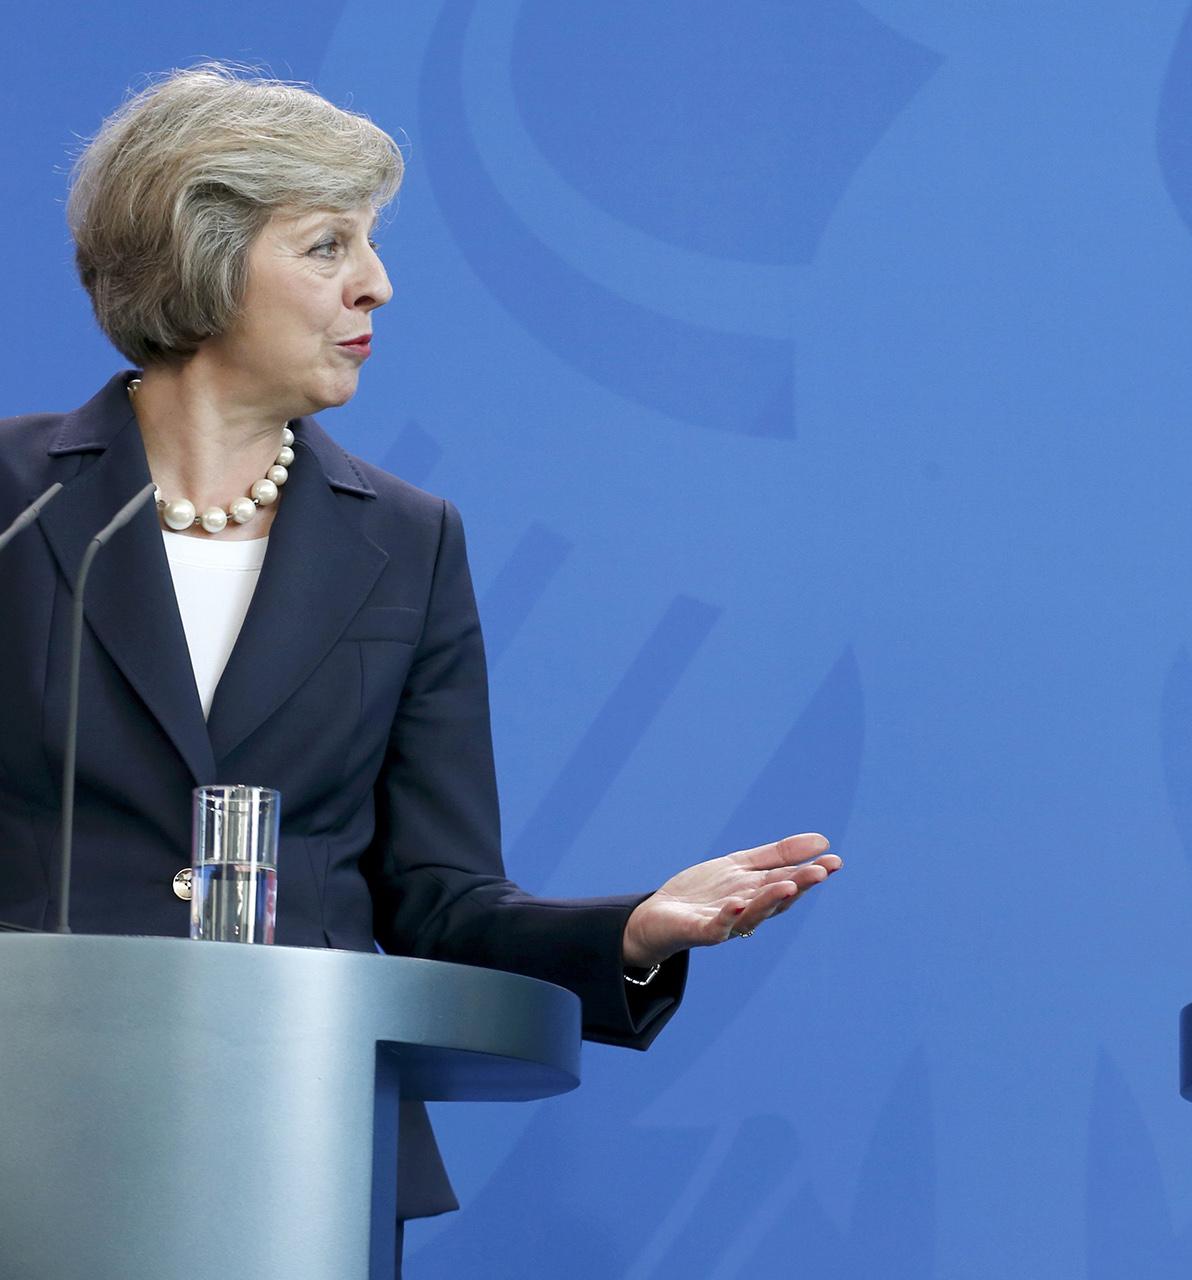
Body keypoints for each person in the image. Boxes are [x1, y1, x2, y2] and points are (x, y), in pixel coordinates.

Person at [0, 64, 842, 1247]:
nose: (378, 286)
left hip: (296, 1153)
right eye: (329, 244)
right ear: (203, 249)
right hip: (24, 1132)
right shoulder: (16, 507)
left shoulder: (406, 542)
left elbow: (440, 902)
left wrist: (634, 931)